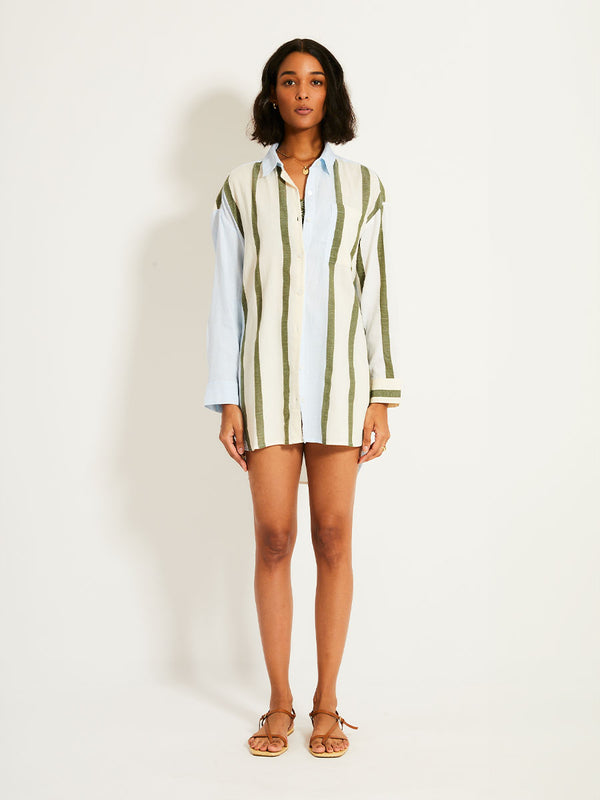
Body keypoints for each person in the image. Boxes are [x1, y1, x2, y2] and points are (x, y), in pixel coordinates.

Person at [203, 38, 402, 758]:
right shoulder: (240, 188)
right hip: (264, 387)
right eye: (289, 81)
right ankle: (280, 702)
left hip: (343, 386)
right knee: (274, 539)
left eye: (315, 81)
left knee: (334, 537)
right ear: (272, 94)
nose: (303, 92)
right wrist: (227, 398)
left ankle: (327, 703)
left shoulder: (364, 187)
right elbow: (227, 299)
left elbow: (374, 294)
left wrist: (381, 392)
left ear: (330, 93)